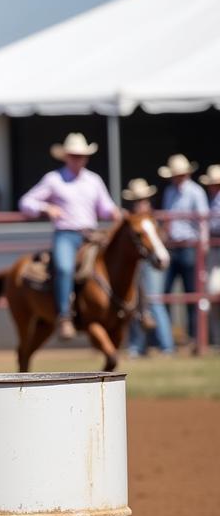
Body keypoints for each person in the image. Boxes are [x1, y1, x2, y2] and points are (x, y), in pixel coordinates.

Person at [19, 132, 120, 340]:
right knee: (64, 267)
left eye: (81, 155)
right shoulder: (54, 179)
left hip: (91, 235)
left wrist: (114, 212)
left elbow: (105, 207)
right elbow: (26, 202)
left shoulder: (94, 180)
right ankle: (64, 316)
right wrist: (45, 207)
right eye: (74, 155)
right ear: (66, 156)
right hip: (66, 234)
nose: (77, 159)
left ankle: (134, 310)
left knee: (122, 260)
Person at [158, 154, 209, 344]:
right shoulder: (169, 192)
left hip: (189, 246)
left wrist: (202, 246)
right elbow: (167, 220)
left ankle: (196, 339)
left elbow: (203, 221)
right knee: (164, 294)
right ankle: (167, 340)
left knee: (192, 293)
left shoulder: (196, 192)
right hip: (172, 247)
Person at [122, 178, 173, 358]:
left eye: (143, 200)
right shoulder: (133, 221)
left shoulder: (151, 221)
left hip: (151, 263)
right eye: (137, 201)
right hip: (137, 262)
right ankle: (138, 347)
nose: (141, 204)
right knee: (137, 304)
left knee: (154, 300)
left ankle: (166, 346)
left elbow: (160, 242)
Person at [200, 165, 220, 346]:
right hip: (214, 251)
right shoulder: (212, 200)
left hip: (217, 249)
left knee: (213, 293)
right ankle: (216, 339)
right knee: (212, 294)